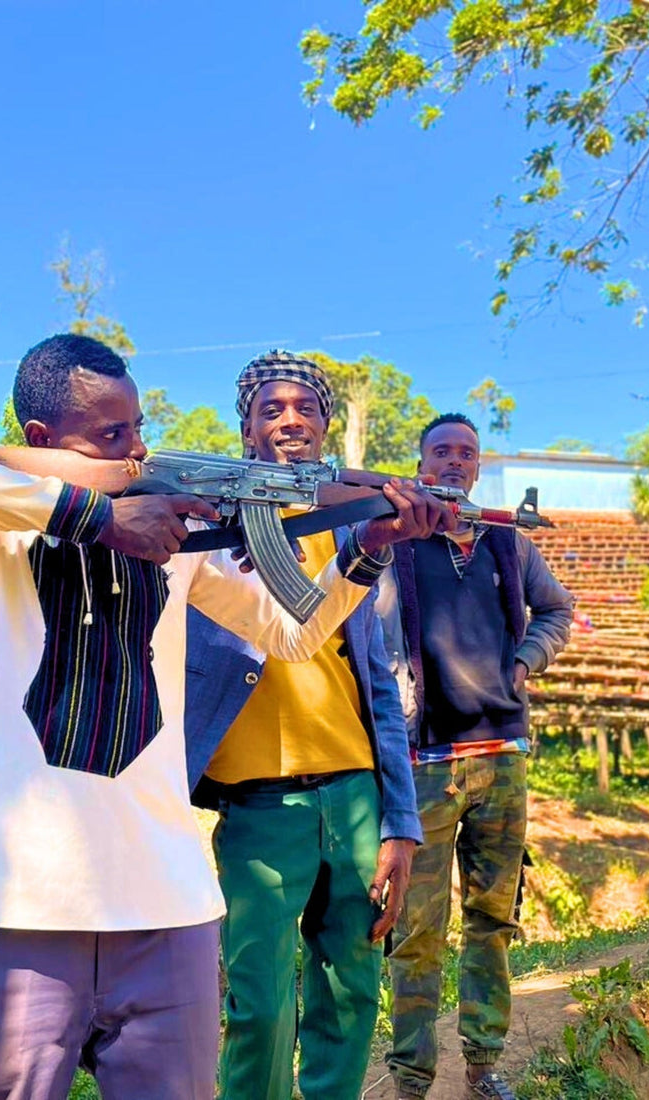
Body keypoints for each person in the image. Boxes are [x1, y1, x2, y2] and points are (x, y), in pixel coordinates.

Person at [0, 334, 449, 1100]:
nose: (140, 449)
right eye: (114, 436)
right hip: (14, 901)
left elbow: (292, 633)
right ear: (41, 442)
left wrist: (369, 550)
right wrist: (98, 514)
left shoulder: (181, 543)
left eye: (137, 428)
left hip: (168, 905)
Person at [183, 349, 443, 1100]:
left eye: (305, 408)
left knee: (353, 986)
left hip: (354, 790)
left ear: (327, 425)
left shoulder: (361, 529)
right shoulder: (204, 525)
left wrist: (400, 822)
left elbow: (386, 688)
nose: (290, 420)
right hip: (257, 798)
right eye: (272, 409)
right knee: (260, 1004)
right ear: (246, 430)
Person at [379, 412, 574, 1100]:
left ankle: (484, 1066)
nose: (454, 462)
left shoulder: (507, 543)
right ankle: (410, 1077)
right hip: (424, 763)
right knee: (416, 931)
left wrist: (524, 664)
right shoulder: (392, 539)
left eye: (466, 452)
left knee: (493, 921)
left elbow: (558, 611)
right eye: (442, 451)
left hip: (504, 757)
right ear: (421, 462)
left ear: (478, 464)